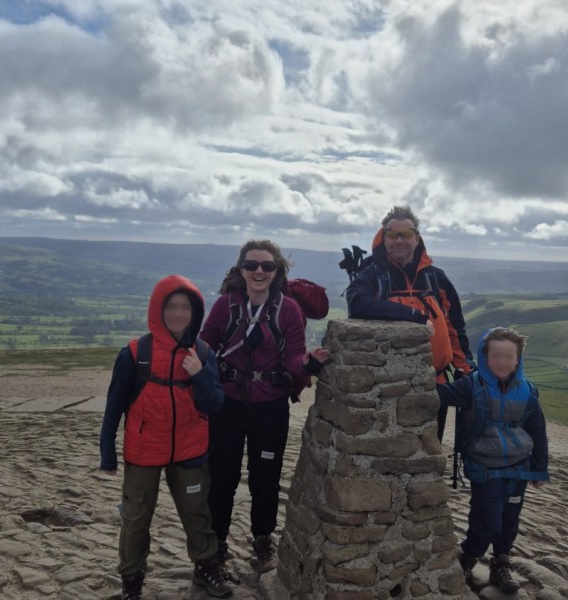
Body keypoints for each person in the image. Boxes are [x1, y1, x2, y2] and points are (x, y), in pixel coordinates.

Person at [199, 240, 329, 575]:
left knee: (266, 478)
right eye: (252, 265)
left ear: (277, 271)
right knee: (222, 476)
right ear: (241, 269)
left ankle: (261, 536)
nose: (259, 271)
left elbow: (294, 358)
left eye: (267, 266)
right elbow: (205, 346)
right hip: (226, 405)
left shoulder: (287, 310)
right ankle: (217, 543)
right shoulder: (225, 306)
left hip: (269, 407)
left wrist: (310, 364)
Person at [99, 275, 231, 600]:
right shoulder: (135, 353)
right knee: (136, 519)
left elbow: (214, 404)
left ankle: (206, 567)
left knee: (197, 513)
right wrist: (108, 453)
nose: (178, 313)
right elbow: (114, 405)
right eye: (171, 306)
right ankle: (132, 580)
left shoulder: (202, 352)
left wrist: (199, 373)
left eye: (185, 307)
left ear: (195, 311)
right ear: (158, 309)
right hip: (143, 451)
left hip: (190, 450)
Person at [345, 204, 473, 440]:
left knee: (428, 451)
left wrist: (466, 368)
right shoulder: (372, 274)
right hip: (386, 387)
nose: (399, 240)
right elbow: (357, 303)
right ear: (383, 238)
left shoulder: (435, 278)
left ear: (417, 238)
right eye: (392, 234)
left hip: (435, 384)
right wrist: (413, 317)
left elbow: (455, 327)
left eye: (407, 234)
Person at [437, 327, 549, 593]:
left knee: (510, 520)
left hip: (519, 469)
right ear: (485, 357)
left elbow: (538, 430)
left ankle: (501, 563)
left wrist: (540, 469)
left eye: (509, 356)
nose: (502, 362)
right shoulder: (470, 385)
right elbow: (439, 395)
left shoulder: (528, 391)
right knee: (487, 522)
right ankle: (467, 557)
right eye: (495, 355)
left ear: (518, 360)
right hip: (484, 468)